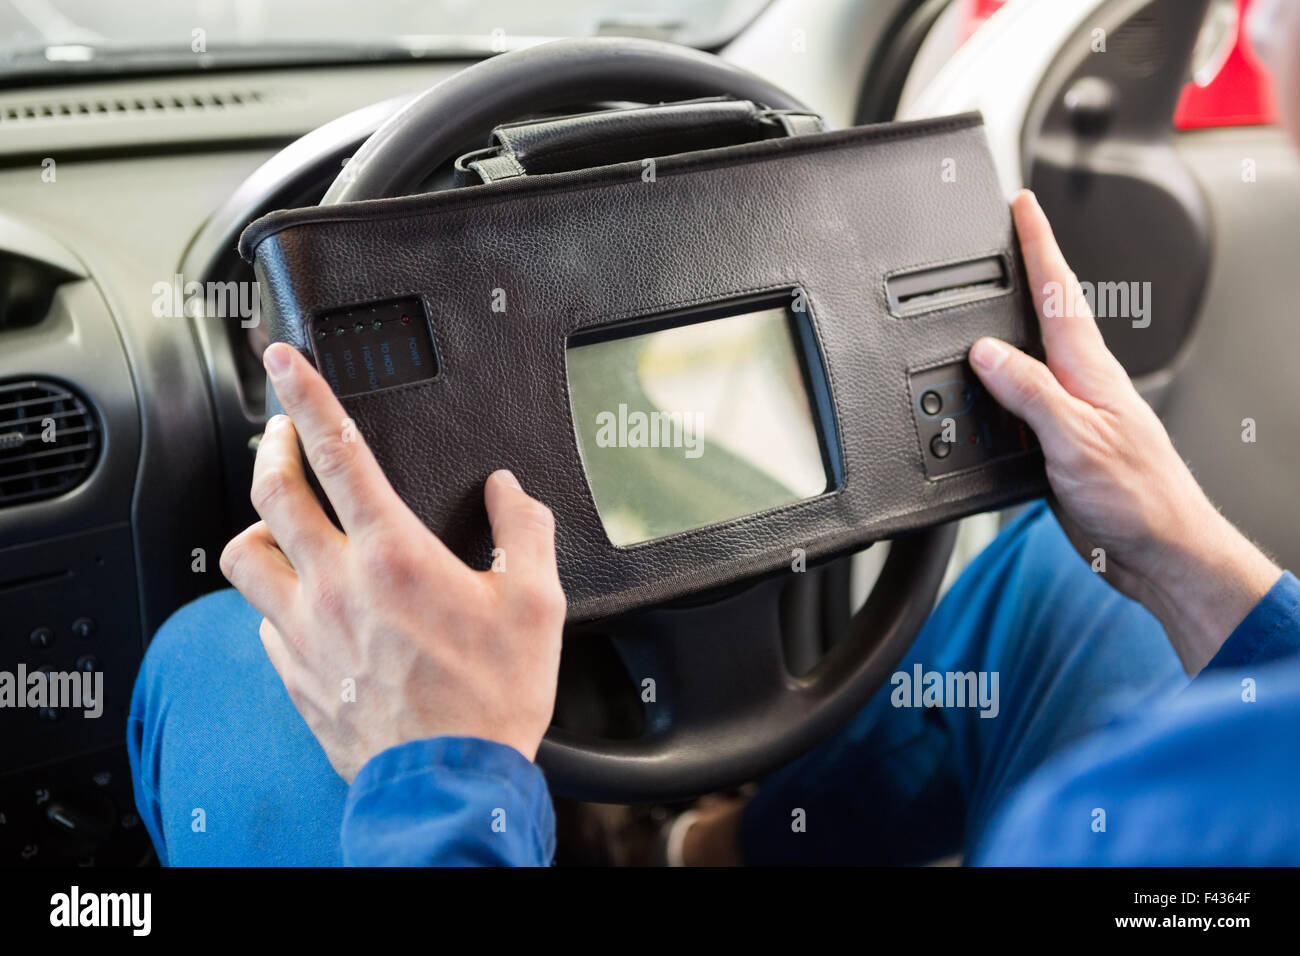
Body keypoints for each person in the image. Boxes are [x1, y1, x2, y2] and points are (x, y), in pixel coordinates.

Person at [128, 0, 1300, 866]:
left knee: (230, 657)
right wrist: (1192, 560)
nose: (1256, 37)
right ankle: (721, 847)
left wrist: (442, 761)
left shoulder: (1137, 825)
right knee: (1071, 565)